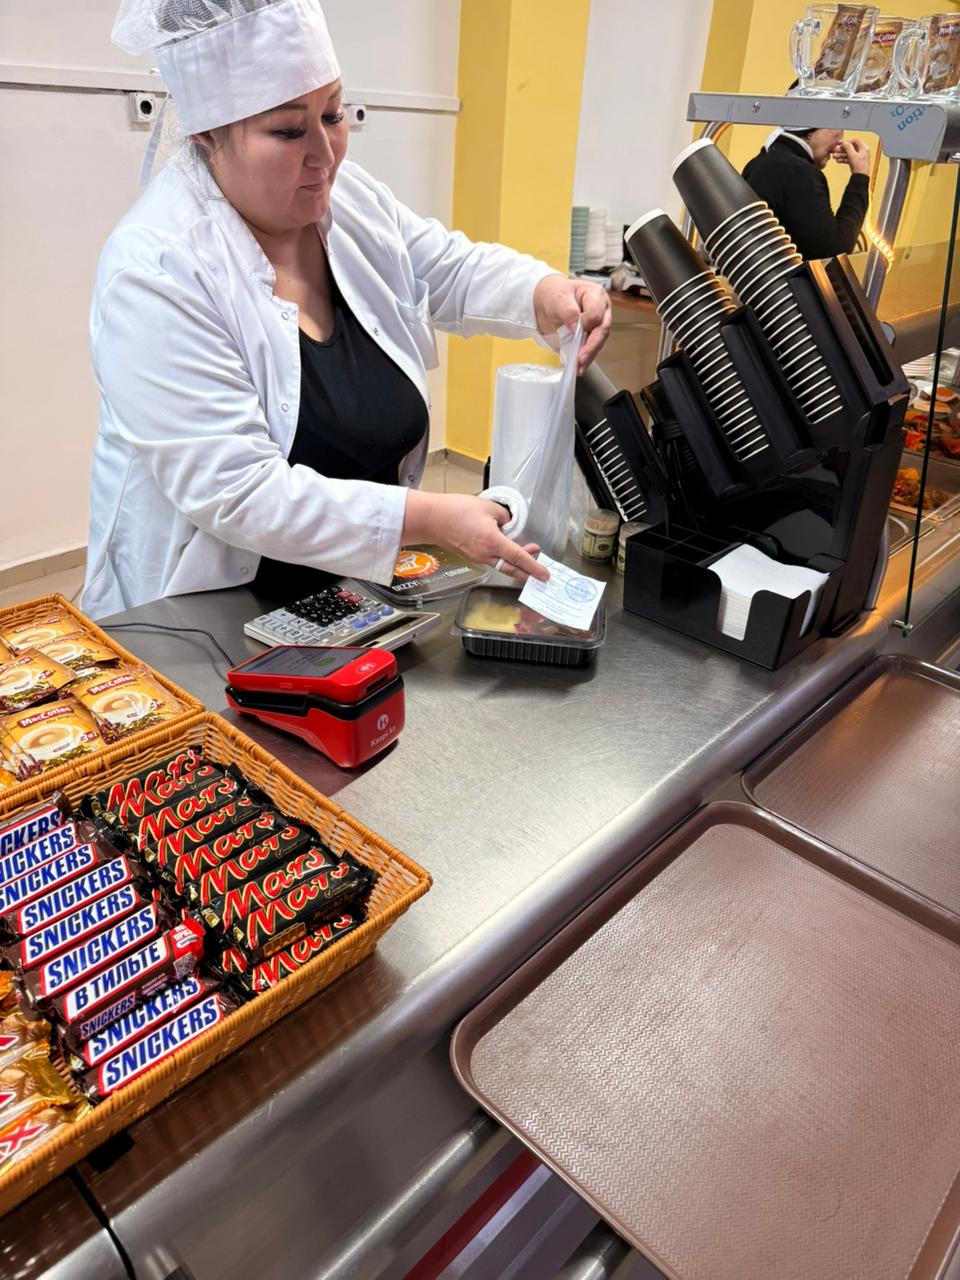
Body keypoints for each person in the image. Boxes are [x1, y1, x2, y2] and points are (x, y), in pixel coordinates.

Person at [81, 0, 611, 618]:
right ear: (206, 131)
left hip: (345, 603)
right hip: (199, 619)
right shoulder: (157, 270)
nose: (325, 154)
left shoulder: (348, 200)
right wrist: (431, 518)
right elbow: (239, 490)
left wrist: (542, 291)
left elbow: (445, 267)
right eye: (288, 131)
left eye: (334, 114)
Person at [741, 124, 871, 262]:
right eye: (836, 126)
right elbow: (834, 253)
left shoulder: (758, 163)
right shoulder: (800, 172)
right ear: (809, 132)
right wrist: (860, 175)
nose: (841, 140)